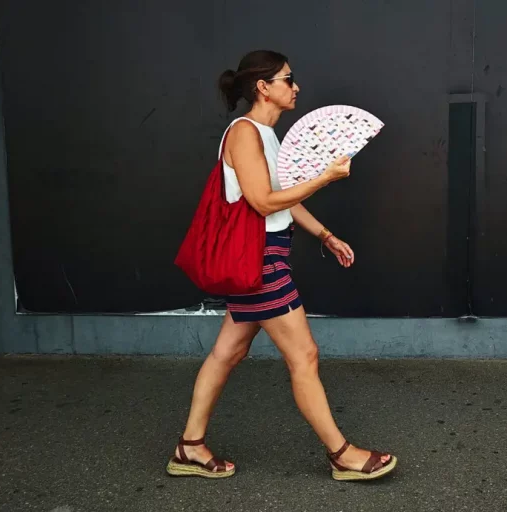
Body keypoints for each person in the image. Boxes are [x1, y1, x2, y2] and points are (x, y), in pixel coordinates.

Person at [166, 50, 397, 482]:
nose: (296, 87)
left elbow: (286, 201)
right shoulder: (244, 133)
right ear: (263, 87)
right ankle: (342, 454)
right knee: (304, 354)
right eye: (288, 79)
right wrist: (326, 177)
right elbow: (262, 202)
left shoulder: (270, 138)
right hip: (259, 258)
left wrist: (325, 235)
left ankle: (189, 446)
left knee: (227, 352)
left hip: (265, 252)